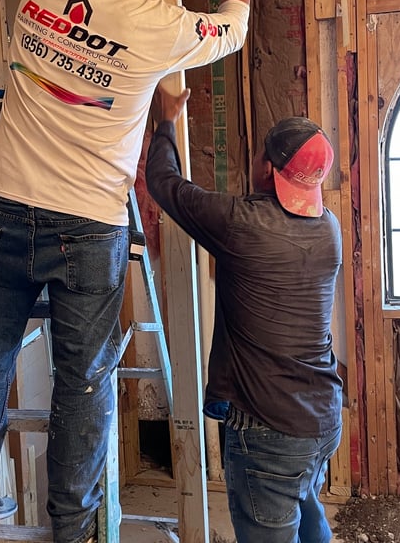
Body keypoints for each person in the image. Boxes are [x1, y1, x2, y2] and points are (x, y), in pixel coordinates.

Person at [0, 0, 250, 542]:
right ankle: (73, 526)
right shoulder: (157, 28)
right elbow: (237, 21)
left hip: (3, 205)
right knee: (83, 380)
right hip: (86, 225)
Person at [145, 86, 344, 543]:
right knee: (309, 512)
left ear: (268, 169)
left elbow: (165, 184)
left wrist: (167, 121)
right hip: (320, 419)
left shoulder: (242, 223)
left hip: (268, 433)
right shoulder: (328, 228)